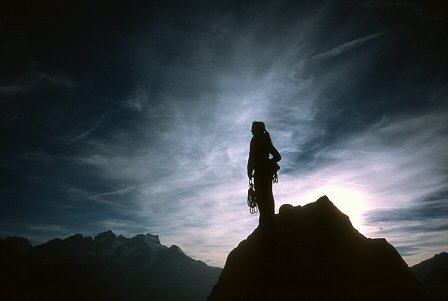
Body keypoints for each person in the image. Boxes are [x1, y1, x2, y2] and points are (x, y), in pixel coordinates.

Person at [247, 121, 281, 226]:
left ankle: (266, 221)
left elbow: (277, 156)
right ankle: (267, 220)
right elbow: (277, 157)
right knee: (265, 196)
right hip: (263, 172)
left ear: (257, 129)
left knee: (263, 196)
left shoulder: (259, 139)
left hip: (261, 173)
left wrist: (250, 170)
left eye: (253, 128)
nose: (251, 130)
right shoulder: (262, 139)